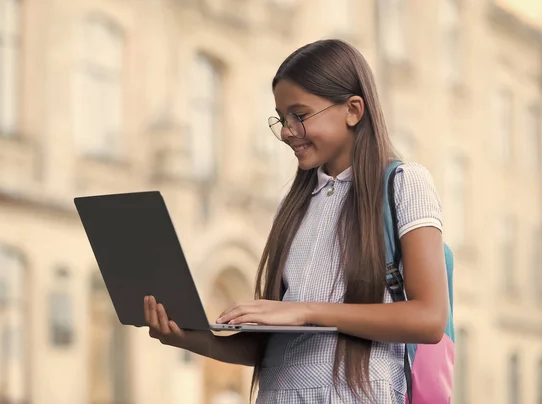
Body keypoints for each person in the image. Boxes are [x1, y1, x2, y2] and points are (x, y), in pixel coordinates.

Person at [143, 39, 449, 403]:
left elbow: (429, 319)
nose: (287, 131)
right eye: (282, 118)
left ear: (353, 110)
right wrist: (192, 338)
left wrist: (303, 311)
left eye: (300, 115)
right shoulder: (292, 207)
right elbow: (276, 352)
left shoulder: (404, 184)